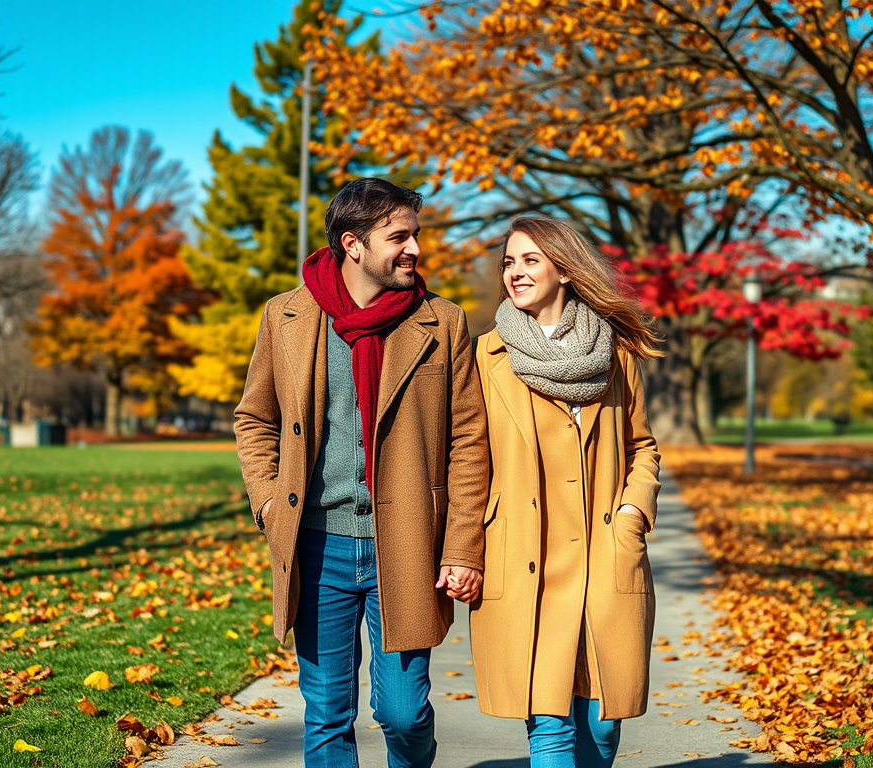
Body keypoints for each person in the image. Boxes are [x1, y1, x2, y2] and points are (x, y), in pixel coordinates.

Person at [234, 178, 488, 768]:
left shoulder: (441, 322)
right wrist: (270, 502)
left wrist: (462, 547)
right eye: (399, 237)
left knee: (403, 714)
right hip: (317, 545)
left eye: (415, 236)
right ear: (353, 244)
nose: (415, 250)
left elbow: (470, 440)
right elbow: (254, 417)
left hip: (406, 545)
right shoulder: (286, 316)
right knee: (326, 714)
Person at [469, 217, 662, 768]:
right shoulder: (486, 359)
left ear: (565, 269)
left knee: (602, 727)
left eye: (530, 260)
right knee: (549, 723)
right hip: (530, 558)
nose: (515, 272)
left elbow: (642, 445)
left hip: (605, 554)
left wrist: (632, 513)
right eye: (509, 261)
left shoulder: (615, 353)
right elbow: (466, 456)